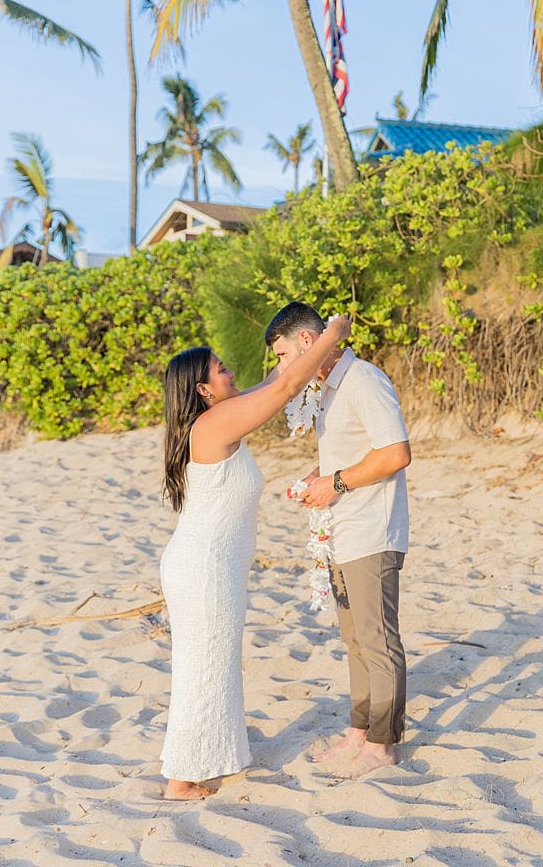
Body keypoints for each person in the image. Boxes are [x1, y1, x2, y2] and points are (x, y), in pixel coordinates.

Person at [158, 315, 352, 800]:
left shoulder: (221, 414)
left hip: (210, 566)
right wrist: (331, 335)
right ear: (203, 390)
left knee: (214, 665)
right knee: (203, 668)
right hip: (204, 569)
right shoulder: (215, 423)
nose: (231, 373)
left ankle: (206, 760)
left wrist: (300, 348)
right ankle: (180, 779)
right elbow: (285, 388)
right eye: (221, 369)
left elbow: (275, 379)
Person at [265, 302, 412, 779]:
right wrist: (318, 478)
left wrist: (337, 483)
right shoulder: (327, 388)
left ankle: (382, 745)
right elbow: (352, 453)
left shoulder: (364, 380)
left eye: (283, 355)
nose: (281, 367)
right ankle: (359, 732)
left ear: (308, 342)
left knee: (376, 638)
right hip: (341, 531)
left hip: (372, 529)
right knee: (354, 640)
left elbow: (396, 453)